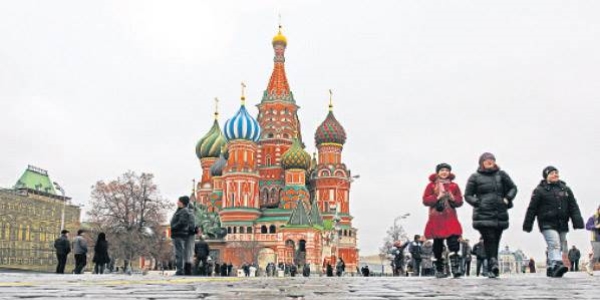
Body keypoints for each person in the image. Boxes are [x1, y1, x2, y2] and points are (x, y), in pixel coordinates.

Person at [523, 166, 584, 278]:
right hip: (547, 223)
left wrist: (577, 221)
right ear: (546, 176)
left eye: (556, 172)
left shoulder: (565, 189)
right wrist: (528, 223)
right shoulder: (539, 191)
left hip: (562, 223)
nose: (555, 175)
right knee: (554, 244)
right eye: (552, 173)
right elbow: (532, 208)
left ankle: (551, 268)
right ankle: (556, 263)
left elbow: (573, 206)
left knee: (559, 245)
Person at [465, 153, 518, 278]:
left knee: (496, 238)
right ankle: (493, 263)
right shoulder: (475, 177)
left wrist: (507, 198)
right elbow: (467, 195)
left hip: (499, 211)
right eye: (486, 160)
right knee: (489, 238)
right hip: (483, 213)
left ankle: (492, 266)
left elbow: (513, 188)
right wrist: (478, 203)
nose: (489, 162)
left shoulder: (501, 175)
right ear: (481, 162)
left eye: (492, 160)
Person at [423, 163, 465, 278]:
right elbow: (425, 200)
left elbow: (459, 201)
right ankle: (439, 269)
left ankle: (455, 268)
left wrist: (452, 198)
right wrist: (437, 197)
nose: (444, 172)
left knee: (454, 242)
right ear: (438, 172)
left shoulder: (454, 186)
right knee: (438, 244)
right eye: (442, 170)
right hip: (437, 218)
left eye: (447, 170)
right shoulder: (431, 186)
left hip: (450, 217)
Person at [170, 196, 195, 276]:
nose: (177, 202)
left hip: (179, 233)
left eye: (179, 201)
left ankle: (180, 270)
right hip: (178, 234)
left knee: (179, 253)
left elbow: (182, 222)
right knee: (179, 252)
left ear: (182, 203)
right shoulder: (181, 210)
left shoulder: (184, 211)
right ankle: (180, 270)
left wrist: (174, 227)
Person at [585, 205, 600, 276]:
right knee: (596, 254)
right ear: (598, 209)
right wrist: (595, 226)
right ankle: (589, 266)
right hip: (595, 239)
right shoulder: (593, 218)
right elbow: (587, 226)